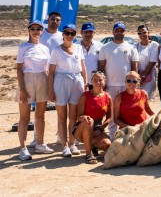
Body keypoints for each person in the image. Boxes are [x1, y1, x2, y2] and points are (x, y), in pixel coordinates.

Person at [15, 20, 54, 161]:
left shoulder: (45, 48)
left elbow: (48, 69)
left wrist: (50, 87)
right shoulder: (23, 47)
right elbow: (19, 69)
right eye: (33, 28)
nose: (36, 31)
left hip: (42, 80)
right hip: (27, 80)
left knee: (40, 116)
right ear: (29, 31)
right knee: (24, 118)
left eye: (38, 28)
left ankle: (40, 144)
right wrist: (22, 89)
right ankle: (22, 148)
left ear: (41, 31)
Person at [48, 24, 88, 157]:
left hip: (77, 81)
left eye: (72, 33)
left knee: (74, 116)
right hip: (61, 81)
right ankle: (64, 146)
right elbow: (51, 72)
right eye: (67, 33)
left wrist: (86, 83)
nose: (69, 36)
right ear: (63, 34)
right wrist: (50, 90)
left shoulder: (79, 48)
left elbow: (83, 68)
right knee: (62, 116)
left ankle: (72, 143)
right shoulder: (56, 50)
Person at [98, 21, 139, 137]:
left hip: (127, 85)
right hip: (110, 84)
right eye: (117, 30)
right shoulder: (105, 48)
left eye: (121, 30)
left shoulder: (131, 48)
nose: (119, 33)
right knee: (111, 110)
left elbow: (134, 68)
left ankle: (125, 134)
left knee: (126, 110)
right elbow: (101, 67)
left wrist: (133, 84)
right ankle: (112, 135)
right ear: (113, 32)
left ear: (125, 32)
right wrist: (103, 83)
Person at [73, 72, 112, 164]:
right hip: (82, 127)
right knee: (89, 121)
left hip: (97, 127)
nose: (97, 82)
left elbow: (109, 117)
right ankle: (88, 154)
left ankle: (93, 145)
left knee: (106, 144)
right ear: (91, 81)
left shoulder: (108, 97)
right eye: (95, 80)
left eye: (100, 80)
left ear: (104, 81)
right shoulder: (85, 95)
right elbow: (78, 116)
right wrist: (84, 118)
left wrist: (101, 128)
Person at [135, 24, 159, 100]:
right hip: (138, 78)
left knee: (146, 100)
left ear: (148, 32)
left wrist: (143, 76)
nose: (142, 35)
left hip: (149, 77)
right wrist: (137, 77)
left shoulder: (154, 45)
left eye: (144, 32)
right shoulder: (135, 46)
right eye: (139, 33)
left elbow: (152, 62)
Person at [79, 22, 103, 90]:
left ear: (94, 33)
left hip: (95, 83)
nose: (88, 34)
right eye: (86, 32)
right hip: (79, 82)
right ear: (81, 32)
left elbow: (102, 64)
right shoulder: (75, 46)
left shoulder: (100, 46)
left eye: (90, 32)